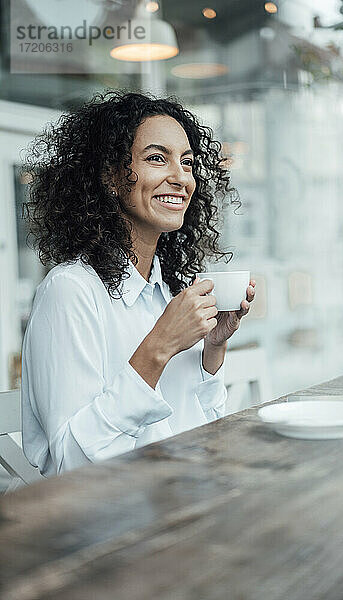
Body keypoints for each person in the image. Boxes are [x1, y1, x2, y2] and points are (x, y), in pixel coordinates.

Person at [21, 90, 256, 476]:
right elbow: (71, 464)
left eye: (186, 162)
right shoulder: (71, 291)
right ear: (110, 176)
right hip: (113, 524)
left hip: (182, 500)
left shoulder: (168, 290)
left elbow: (205, 425)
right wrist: (159, 346)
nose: (181, 178)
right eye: (156, 158)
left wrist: (213, 349)